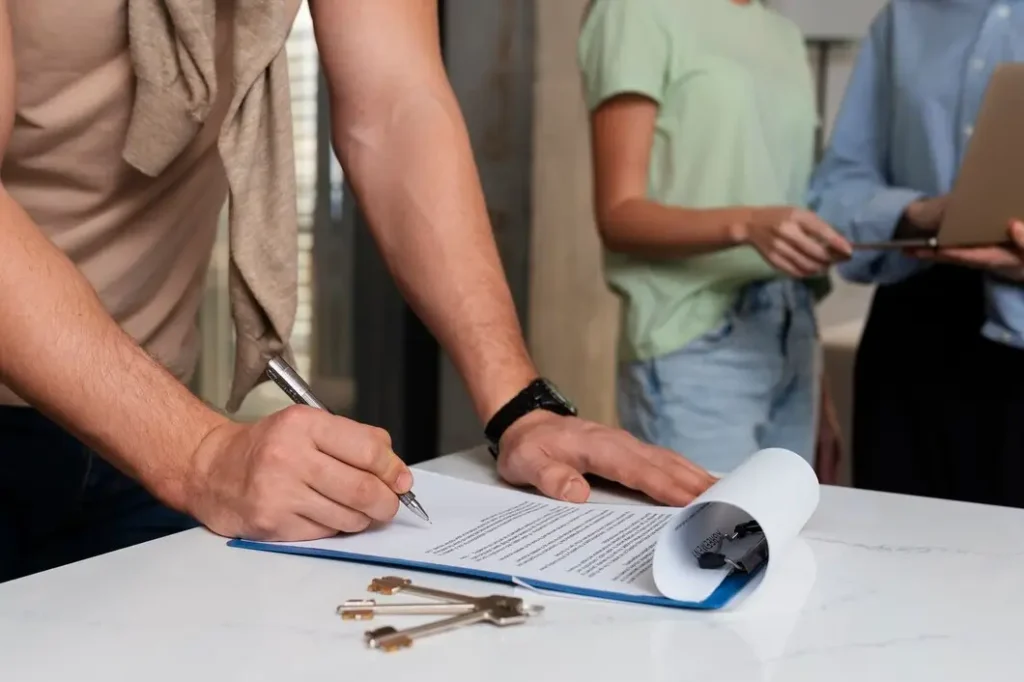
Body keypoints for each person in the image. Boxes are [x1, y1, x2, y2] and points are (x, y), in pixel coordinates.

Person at [0, 0, 716, 583]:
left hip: (147, 407)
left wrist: (519, 407)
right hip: (142, 431)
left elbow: (396, 102)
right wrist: (200, 455)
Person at [576, 0, 850, 477]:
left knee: (788, 524)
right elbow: (618, 214)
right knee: (710, 526)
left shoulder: (783, 34)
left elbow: (790, 215)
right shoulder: (634, 11)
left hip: (792, 335)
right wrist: (746, 224)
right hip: (696, 342)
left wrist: (817, 381)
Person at [808, 1, 1024, 507]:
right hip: (912, 330)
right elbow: (835, 191)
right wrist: (916, 212)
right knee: (890, 544)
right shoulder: (903, 19)